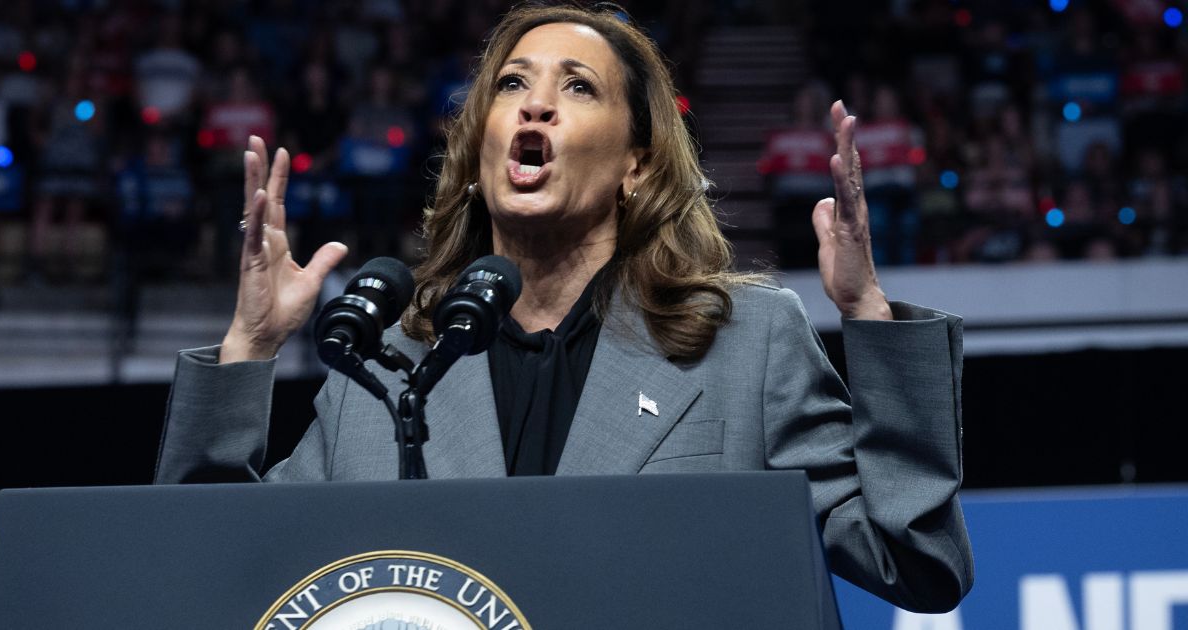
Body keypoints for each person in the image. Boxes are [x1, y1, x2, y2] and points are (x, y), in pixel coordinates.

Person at [155, 5, 972, 614]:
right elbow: (206, 578)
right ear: (480, 155)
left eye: (577, 87)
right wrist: (249, 347)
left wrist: (866, 311)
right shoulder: (385, 368)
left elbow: (918, 561)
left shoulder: (744, 343)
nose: (535, 105)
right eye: (513, 84)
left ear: (637, 168)